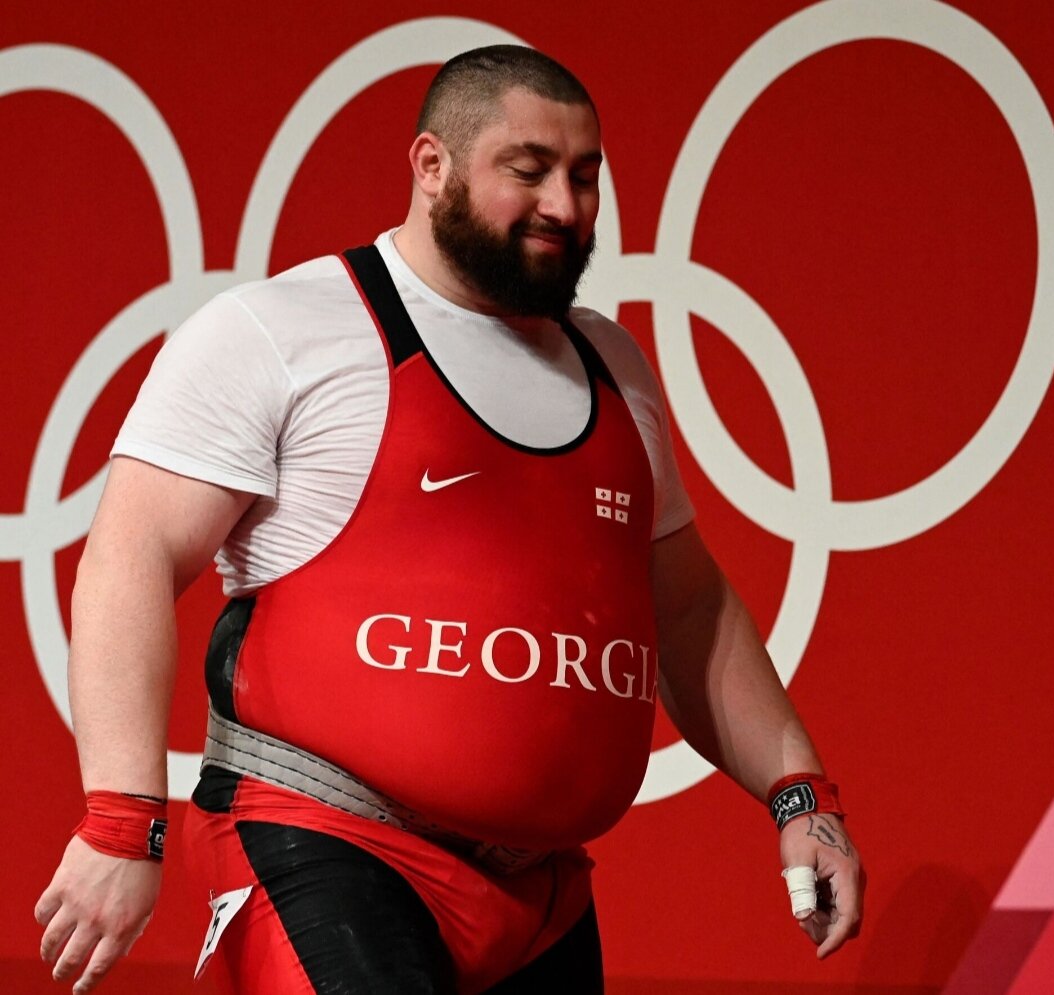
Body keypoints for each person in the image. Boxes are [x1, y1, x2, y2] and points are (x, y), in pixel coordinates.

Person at [35, 44, 863, 995]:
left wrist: (801, 794)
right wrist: (121, 818)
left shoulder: (615, 368)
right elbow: (130, 555)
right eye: (529, 170)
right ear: (432, 166)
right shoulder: (282, 331)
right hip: (325, 846)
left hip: (543, 897)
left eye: (584, 175)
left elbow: (689, 612)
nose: (565, 205)